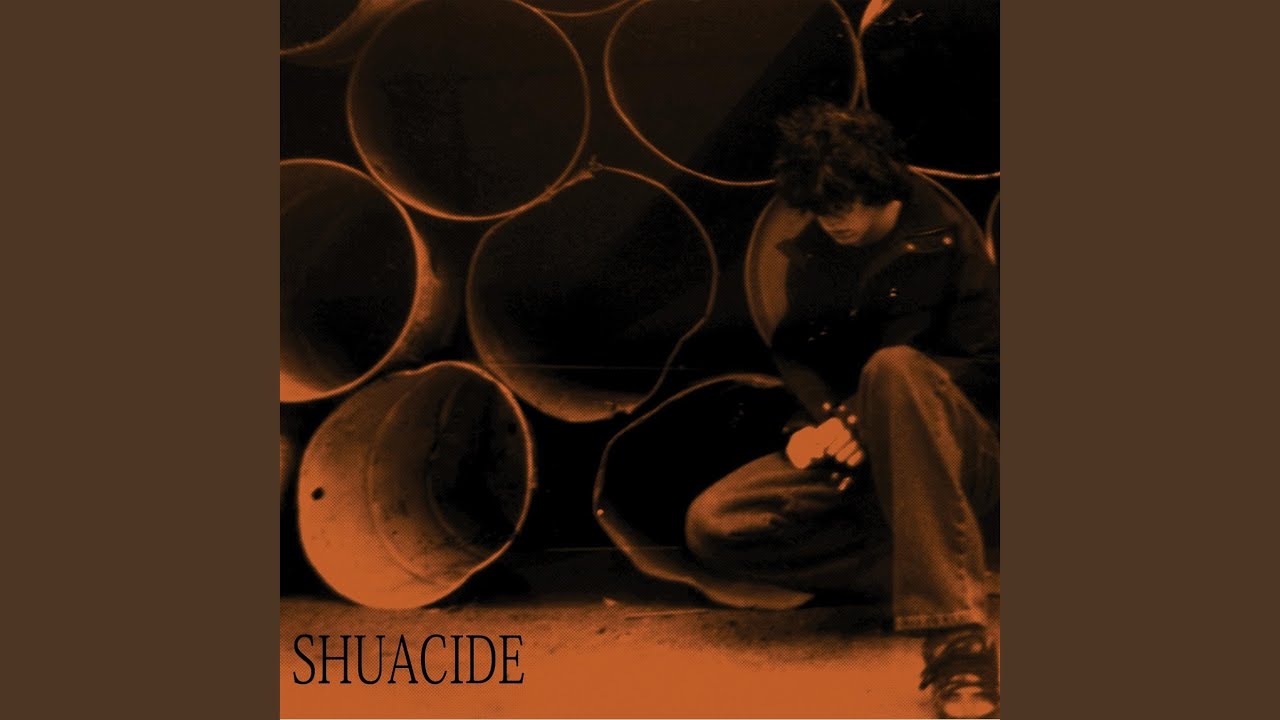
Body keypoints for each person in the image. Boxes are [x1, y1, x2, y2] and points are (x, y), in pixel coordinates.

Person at [683, 102, 1000, 719]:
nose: (832, 220)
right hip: (866, 465)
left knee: (894, 368)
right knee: (714, 523)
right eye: (818, 208)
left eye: (844, 205)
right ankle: (924, 570)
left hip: (967, 457)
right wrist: (817, 426)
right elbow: (798, 356)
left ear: (883, 188)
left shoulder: (947, 240)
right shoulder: (814, 252)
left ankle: (956, 642)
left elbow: (991, 366)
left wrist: (860, 417)